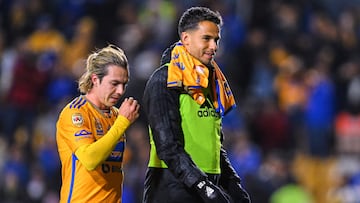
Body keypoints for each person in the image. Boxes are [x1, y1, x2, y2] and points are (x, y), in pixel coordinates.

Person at [142, 6, 251, 203]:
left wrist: (233, 186)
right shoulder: (164, 79)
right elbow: (167, 146)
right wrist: (202, 186)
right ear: (186, 39)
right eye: (206, 38)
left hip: (204, 184)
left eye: (216, 40)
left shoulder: (212, 82)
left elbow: (214, 144)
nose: (214, 46)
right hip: (172, 187)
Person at [56, 44, 140, 203]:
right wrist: (122, 123)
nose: (121, 91)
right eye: (114, 84)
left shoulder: (116, 115)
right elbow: (89, 160)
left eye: (124, 84)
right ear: (95, 79)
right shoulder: (75, 113)